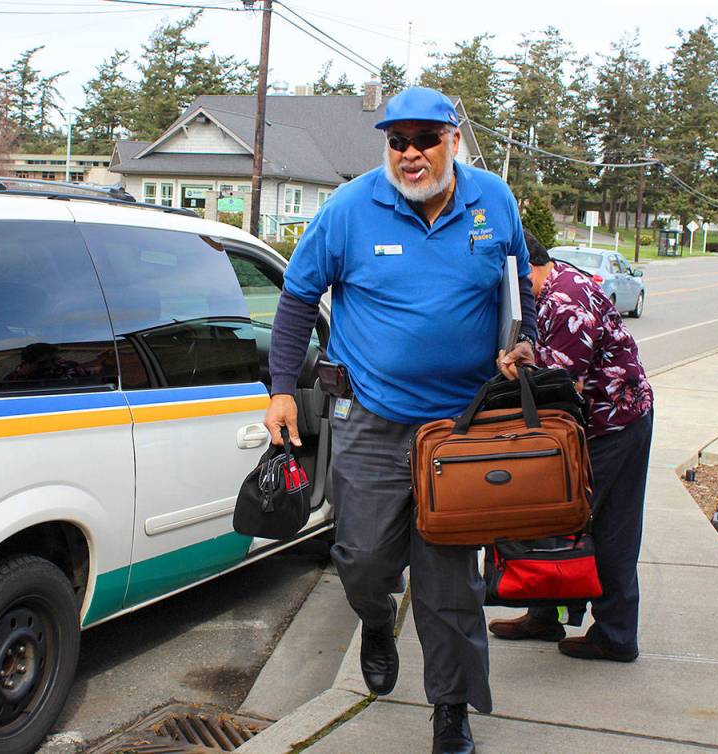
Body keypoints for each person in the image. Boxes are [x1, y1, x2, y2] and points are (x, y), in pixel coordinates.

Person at [263, 87, 538, 754]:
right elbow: (299, 295)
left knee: (451, 587)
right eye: (397, 140)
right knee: (360, 561)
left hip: (460, 431)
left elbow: (519, 287)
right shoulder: (352, 207)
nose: (409, 153)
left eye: (424, 139)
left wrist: (522, 341)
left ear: (453, 141)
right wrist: (279, 390)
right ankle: (378, 620)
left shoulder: (492, 201)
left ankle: (451, 711)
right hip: (372, 422)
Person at [489, 231, 654, 663]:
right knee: (560, 517)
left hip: (613, 424)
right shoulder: (547, 293)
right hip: (600, 422)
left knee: (602, 523)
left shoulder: (565, 301)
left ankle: (616, 635)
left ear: (521, 266)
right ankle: (546, 614)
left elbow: (563, 387)